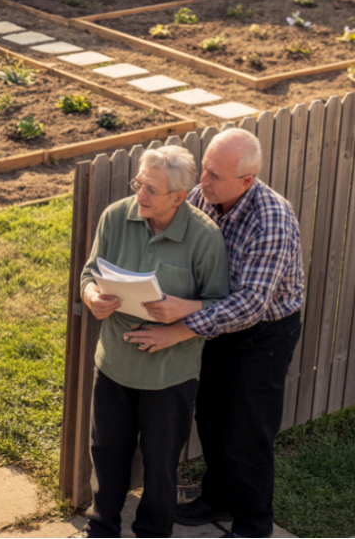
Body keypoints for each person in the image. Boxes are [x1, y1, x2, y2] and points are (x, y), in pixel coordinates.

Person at [127, 128, 305, 538]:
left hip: (263, 335)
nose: (202, 182)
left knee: (248, 432)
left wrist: (182, 325)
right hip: (216, 327)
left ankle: (252, 524)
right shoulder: (201, 197)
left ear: (246, 181)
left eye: (214, 176)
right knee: (211, 417)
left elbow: (249, 305)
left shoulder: (272, 221)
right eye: (204, 169)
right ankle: (219, 497)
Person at [80, 145, 229, 538]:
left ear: (179, 198)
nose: (140, 195)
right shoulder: (116, 217)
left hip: (171, 375)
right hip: (113, 363)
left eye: (151, 190)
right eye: (138, 183)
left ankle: (153, 532)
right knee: (107, 452)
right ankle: (101, 527)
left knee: (161, 463)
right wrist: (93, 297)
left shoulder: (204, 237)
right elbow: (89, 273)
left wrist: (177, 321)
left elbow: (218, 303)